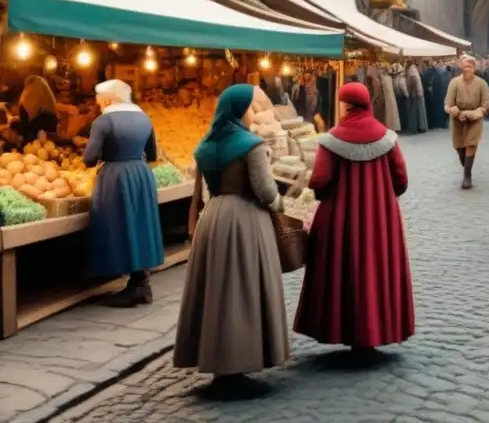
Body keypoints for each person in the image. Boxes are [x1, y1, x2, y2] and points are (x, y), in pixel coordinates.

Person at [173, 85, 289, 389]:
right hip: (245, 220)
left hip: (213, 219)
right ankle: (237, 363)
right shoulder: (251, 145)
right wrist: (281, 204)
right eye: (249, 107)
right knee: (242, 292)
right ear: (239, 110)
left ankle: (218, 363)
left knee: (216, 292)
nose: (253, 113)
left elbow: (202, 189)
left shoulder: (205, 145)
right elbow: (264, 190)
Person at [293, 83, 415, 346]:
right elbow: (401, 179)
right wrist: (381, 198)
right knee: (376, 270)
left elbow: (321, 180)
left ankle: (344, 330)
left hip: (341, 217)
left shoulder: (332, 139)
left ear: (346, 105)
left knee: (343, 269)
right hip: (381, 219)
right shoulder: (388, 137)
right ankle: (375, 331)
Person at [83, 80, 164, 307]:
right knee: (139, 224)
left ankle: (134, 287)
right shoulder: (143, 117)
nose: (97, 104)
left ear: (108, 99)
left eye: (98, 100)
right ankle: (141, 282)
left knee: (118, 226)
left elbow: (89, 158)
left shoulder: (103, 121)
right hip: (140, 173)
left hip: (115, 177)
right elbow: (153, 153)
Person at [445, 55, 489, 189]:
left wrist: (478, 112)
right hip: (457, 120)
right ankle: (466, 166)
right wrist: (452, 110)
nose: (467, 69)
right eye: (464, 66)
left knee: (471, 144)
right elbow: (447, 104)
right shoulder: (454, 83)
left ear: (474, 68)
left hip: (474, 120)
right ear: (461, 67)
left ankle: (467, 176)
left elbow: (487, 104)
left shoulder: (481, 84)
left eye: (469, 66)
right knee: (460, 148)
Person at [2, 75, 58, 147]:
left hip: (36, 139)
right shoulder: (44, 94)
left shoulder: (26, 100)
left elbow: (27, 129)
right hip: (44, 135)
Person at [405, 63, 429, 134]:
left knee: (415, 111)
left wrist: (412, 92)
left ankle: (416, 127)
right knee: (420, 110)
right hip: (418, 93)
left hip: (415, 94)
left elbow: (414, 82)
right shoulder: (415, 70)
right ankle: (422, 126)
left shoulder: (411, 71)